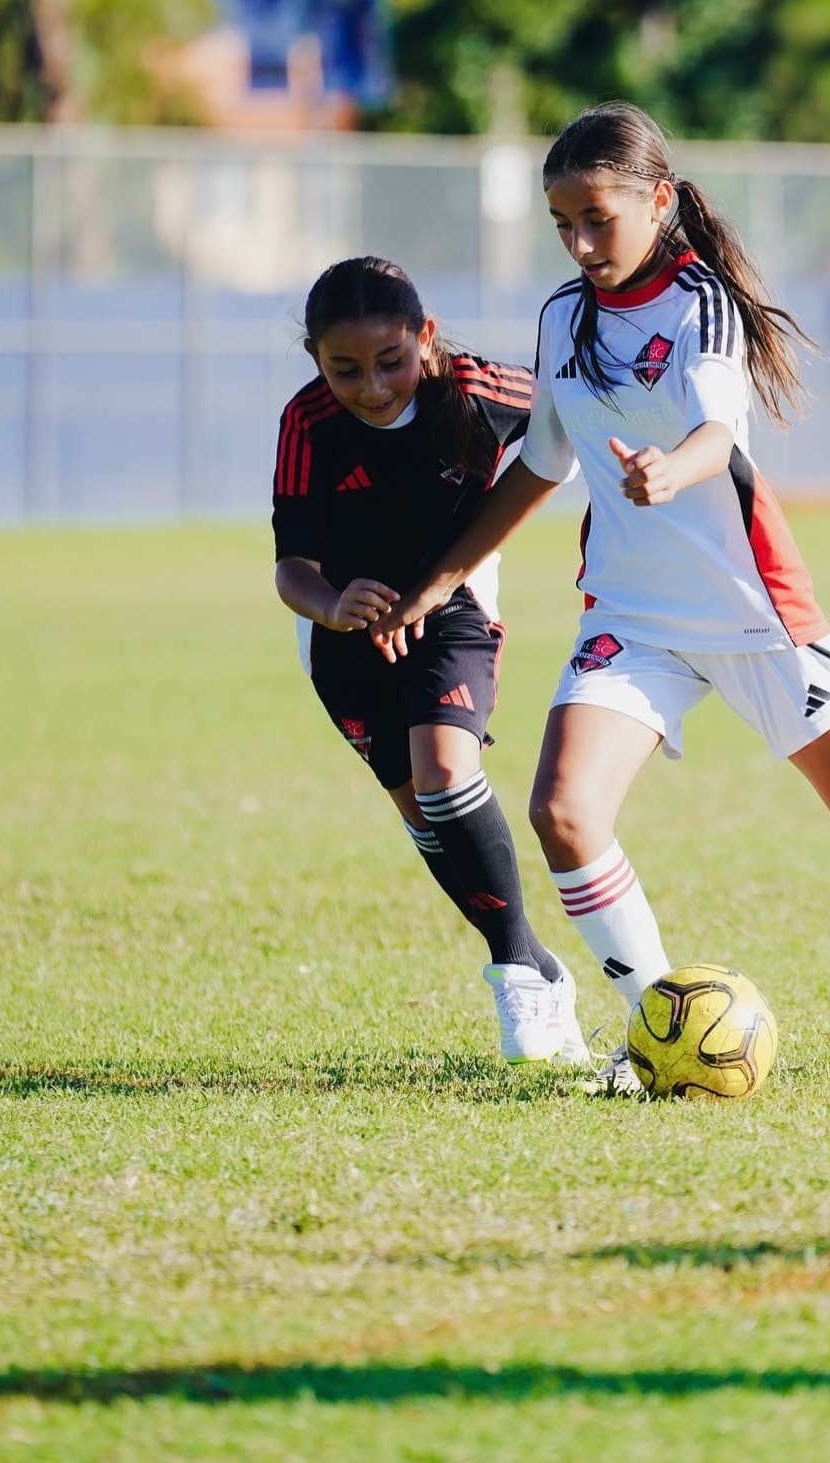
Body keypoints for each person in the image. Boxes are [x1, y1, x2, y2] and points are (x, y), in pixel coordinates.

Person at [371, 103, 830, 1094]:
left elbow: (716, 434)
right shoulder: (563, 316)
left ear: (659, 201)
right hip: (632, 616)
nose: (580, 243)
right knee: (563, 811)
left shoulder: (704, 303)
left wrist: (667, 471)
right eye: (562, 224)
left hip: (751, 611)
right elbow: (542, 464)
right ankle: (655, 1033)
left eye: (597, 218)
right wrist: (440, 578)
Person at [272, 255, 587, 1066]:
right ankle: (539, 963)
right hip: (344, 637)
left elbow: (570, 417)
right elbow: (291, 568)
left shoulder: (479, 390)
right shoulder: (307, 421)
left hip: (454, 609)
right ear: (315, 359)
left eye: (391, 360)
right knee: (429, 820)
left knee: (447, 772)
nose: (373, 386)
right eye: (345, 369)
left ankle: (515, 972)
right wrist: (332, 603)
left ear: (426, 336)